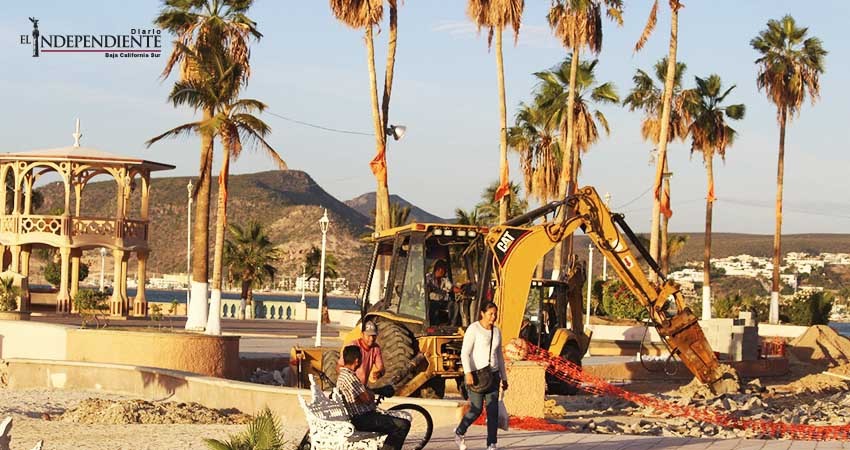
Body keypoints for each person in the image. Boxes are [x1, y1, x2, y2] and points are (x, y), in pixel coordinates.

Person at [455, 301, 508, 450]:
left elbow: (499, 356)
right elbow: (465, 353)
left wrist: (504, 377)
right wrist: (468, 373)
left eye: (495, 314)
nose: (493, 317)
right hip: (477, 376)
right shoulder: (474, 329)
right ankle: (460, 431)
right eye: (490, 314)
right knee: (476, 409)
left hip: (493, 375)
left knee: (493, 411)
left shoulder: (497, 332)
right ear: (482, 314)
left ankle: (492, 443)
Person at [337, 345, 410, 450]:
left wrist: (366, 393)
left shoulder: (343, 375)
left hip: (359, 416)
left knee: (397, 422)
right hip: (362, 419)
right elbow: (367, 399)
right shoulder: (350, 378)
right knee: (403, 425)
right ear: (357, 360)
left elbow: (359, 397)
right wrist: (369, 394)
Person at [338, 321, 385, 386]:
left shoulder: (376, 348)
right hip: (350, 385)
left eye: (374, 336)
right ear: (362, 334)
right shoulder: (353, 345)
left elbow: (381, 368)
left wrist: (379, 373)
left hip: (362, 387)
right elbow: (340, 366)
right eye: (368, 336)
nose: (371, 339)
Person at [426, 259, 458, 324]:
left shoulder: (444, 279)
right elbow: (426, 288)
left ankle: (452, 324)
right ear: (438, 269)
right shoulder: (428, 277)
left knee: (453, 304)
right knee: (433, 306)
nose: (445, 271)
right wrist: (429, 289)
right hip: (431, 302)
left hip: (442, 302)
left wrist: (460, 290)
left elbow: (451, 287)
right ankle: (434, 324)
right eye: (444, 269)